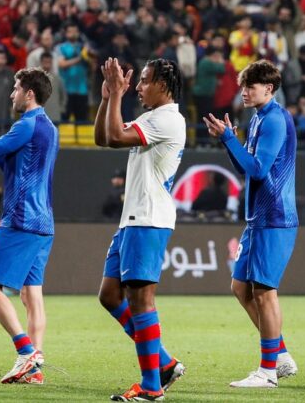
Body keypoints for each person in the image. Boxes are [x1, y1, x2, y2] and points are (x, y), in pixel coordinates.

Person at [203, 59, 299, 389]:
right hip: (259, 217)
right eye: (243, 86)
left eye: (250, 87)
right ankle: (281, 355)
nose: (243, 91)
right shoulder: (259, 118)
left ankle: (268, 371)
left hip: (274, 216)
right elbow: (249, 166)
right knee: (240, 287)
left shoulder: (274, 120)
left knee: (264, 292)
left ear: (269, 89)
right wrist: (228, 140)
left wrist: (230, 139)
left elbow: (258, 170)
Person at [95, 57, 186, 402]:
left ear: (163, 85)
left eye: (145, 81)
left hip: (148, 218)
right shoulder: (152, 117)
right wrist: (108, 98)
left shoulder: (167, 119)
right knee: (110, 296)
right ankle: (162, 362)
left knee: (141, 301)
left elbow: (117, 136)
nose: (139, 87)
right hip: (133, 219)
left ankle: (152, 387)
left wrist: (117, 95)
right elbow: (103, 137)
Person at [0, 67, 59, 385]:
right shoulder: (48, 126)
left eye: (16, 88)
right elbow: (8, 162)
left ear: (29, 93)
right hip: (43, 222)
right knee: (32, 296)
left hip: (21, 219)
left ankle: (26, 352)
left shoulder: (27, 124)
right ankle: (33, 371)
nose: (12, 94)